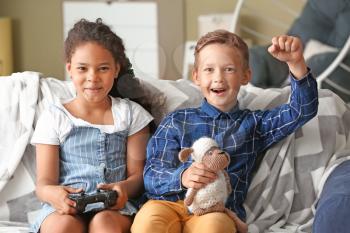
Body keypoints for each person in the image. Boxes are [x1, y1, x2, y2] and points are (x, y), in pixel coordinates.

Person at [131, 29, 319, 233]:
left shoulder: (254, 124)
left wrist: (296, 63)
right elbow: (152, 175)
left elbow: (301, 110)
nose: (218, 78)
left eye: (229, 69)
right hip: (167, 204)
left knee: (215, 228)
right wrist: (182, 177)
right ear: (196, 76)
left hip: (215, 210)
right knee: (147, 224)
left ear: (245, 75)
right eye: (209, 70)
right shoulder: (177, 120)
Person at [31, 18, 153, 233]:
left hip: (115, 209)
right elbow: (43, 184)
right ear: (70, 69)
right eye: (82, 68)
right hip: (65, 208)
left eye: (103, 68)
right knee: (62, 227)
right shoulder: (54, 116)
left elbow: (138, 177)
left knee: (104, 225)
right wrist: (54, 195)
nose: (92, 77)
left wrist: (123, 188)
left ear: (116, 70)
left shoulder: (131, 114)